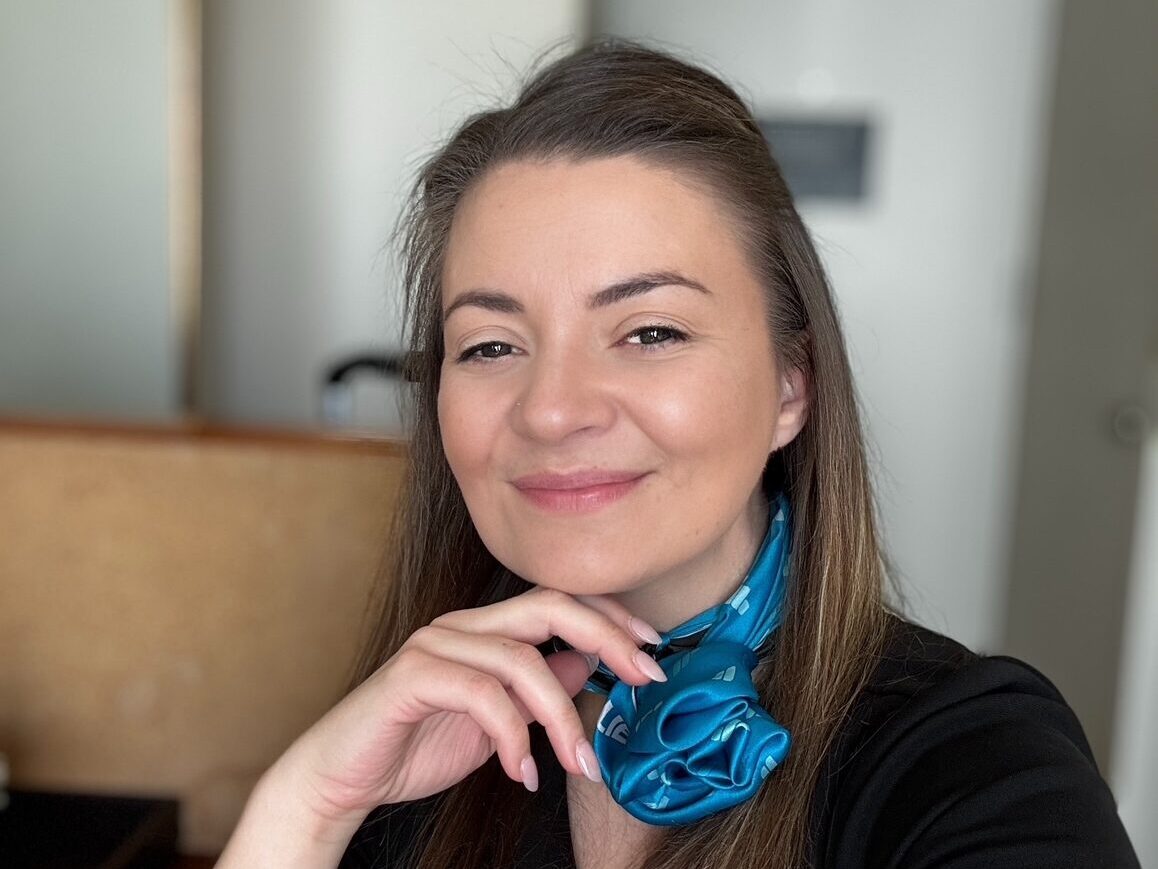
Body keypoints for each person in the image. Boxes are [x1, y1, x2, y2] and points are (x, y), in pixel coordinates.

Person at [216, 39, 1140, 869]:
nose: (552, 410)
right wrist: (306, 810)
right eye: (492, 346)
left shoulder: (966, 759)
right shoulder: (420, 751)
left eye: (650, 331)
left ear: (791, 386)